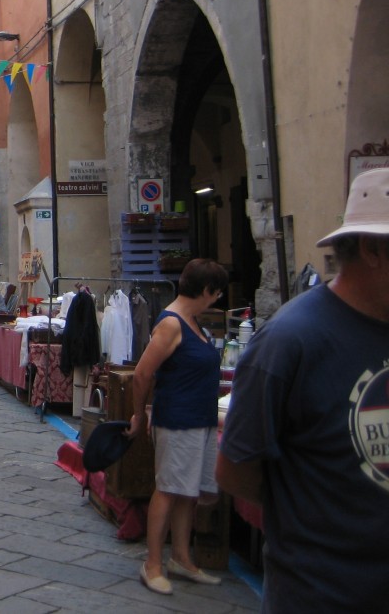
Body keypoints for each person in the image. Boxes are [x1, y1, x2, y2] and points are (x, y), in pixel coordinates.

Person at [217, 168, 389, 612]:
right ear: (372, 250)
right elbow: (236, 469)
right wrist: (312, 517)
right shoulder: (289, 341)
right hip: (323, 595)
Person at [125, 257, 229, 596]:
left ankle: (182, 559)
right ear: (207, 291)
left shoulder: (193, 322)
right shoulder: (171, 324)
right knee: (169, 489)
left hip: (199, 421)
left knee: (188, 493)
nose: (218, 299)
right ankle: (152, 563)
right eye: (217, 293)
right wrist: (139, 414)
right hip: (178, 420)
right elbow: (142, 374)